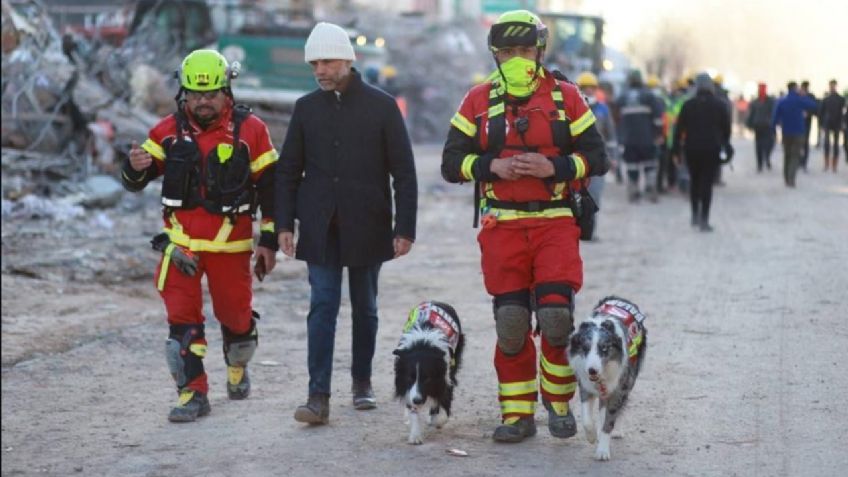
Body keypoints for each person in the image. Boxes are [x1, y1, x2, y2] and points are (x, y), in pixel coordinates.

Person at [441, 10, 608, 443]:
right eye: (508, 51)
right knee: (511, 323)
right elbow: (450, 163)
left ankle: (558, 404)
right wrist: (489, 166)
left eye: (525, 50)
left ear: (540, 51)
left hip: (555, 222)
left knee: (556, 317)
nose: (517, 58)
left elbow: (598, 158)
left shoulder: (567, 97)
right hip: (502, 226)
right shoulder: (477, 100)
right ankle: (517, 414)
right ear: (495, 54)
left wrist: (555, 167)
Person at [121, 49, 279, 422]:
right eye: (195, 94)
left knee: (236, 318)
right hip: (180, 248)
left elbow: (273, 188)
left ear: (226, 91)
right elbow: (136, 180)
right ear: (184, 93)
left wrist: (269, 240)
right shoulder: (166, 131)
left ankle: (237, 364)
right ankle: (192, 392)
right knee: (181, 322)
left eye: (210, 94)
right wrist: (133, 167)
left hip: (230, 246)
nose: (202, 102)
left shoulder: (252, 131)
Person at [275, 22, 418, 425]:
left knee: (365, 307)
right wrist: (283, 224)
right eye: (313, 64)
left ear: (347, 61)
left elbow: (404, 172)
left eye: (326, 62)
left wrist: (404, 228)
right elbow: (288, 171)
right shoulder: (306, 108)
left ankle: (362, 383)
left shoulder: (382, 107)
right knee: (322, 305)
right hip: (320, 226)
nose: (319, 70)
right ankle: (317, 395)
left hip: (368, 223)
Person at [672, 73, 731, 232]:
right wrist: (726, 146)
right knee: (707, 184)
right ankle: (704, 219)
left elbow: (679, 129)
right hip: (712, 149)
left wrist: (676, 150)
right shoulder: (719, 105)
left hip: (692, 149)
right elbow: (726, 129)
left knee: (695, 181)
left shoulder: (688, 105)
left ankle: (694, 214)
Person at [614, 69, 664, 202]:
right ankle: (650, 190)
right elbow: (658, 118)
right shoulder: (649, 96)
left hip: (629, 139)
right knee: (650, 165)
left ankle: (633, 192)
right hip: (647, 139)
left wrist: (620, 135)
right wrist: (658, 134)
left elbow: (616, 117)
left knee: (632, 166)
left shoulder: (622, 97)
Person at [576, 71, 616, 227]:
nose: (588, 90)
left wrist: (613, 157)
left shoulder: (603, 109)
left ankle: (590, 230)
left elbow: (611, 134)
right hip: (577, 158)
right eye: (585, 87)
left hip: (598, 160)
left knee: (594, 196)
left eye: (591, 87)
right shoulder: (572, 107)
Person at [772, 81, 818, 187]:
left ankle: (786, 178)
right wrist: (804, 95)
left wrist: (774, 130)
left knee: (787, 155)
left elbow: (775, 118)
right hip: (798, 132)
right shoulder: (800, 100)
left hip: (786, 132)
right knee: (795, 156)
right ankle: (791, 179)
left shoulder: (782, 101)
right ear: (795, 89)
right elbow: (813, 105)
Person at [746, 83, 777, 172]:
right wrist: (749, 125)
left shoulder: (771, 101)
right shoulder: (755, 102)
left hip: (768, 126)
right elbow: (751, 114)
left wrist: (774, 122)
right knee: (759, 146)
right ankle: (759, 164)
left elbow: (774, 113)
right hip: (758, 126)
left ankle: (767, 157)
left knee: (770, 144)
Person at [819, 79, 845, 172]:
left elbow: (843, 113)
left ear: (835, 86)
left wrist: (842, 123)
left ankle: (834, 165)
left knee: (836, 145)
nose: (832, 87)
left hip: (837, 123)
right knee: (826, 144)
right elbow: (821, 112)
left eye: (833, 85)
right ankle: (826, 164)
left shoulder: (841, 99)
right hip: (827, 124)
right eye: (831, 85)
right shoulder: (826, 99)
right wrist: (821, 124)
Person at [799, 80, 818, 172]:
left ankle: (804, 163)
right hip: (798, 123)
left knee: (805, 143)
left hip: (807, 123)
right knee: (798, 143)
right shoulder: (798, 96)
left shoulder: (811, 96)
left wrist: (808, 113)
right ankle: (799, 161)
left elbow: (815, 108)